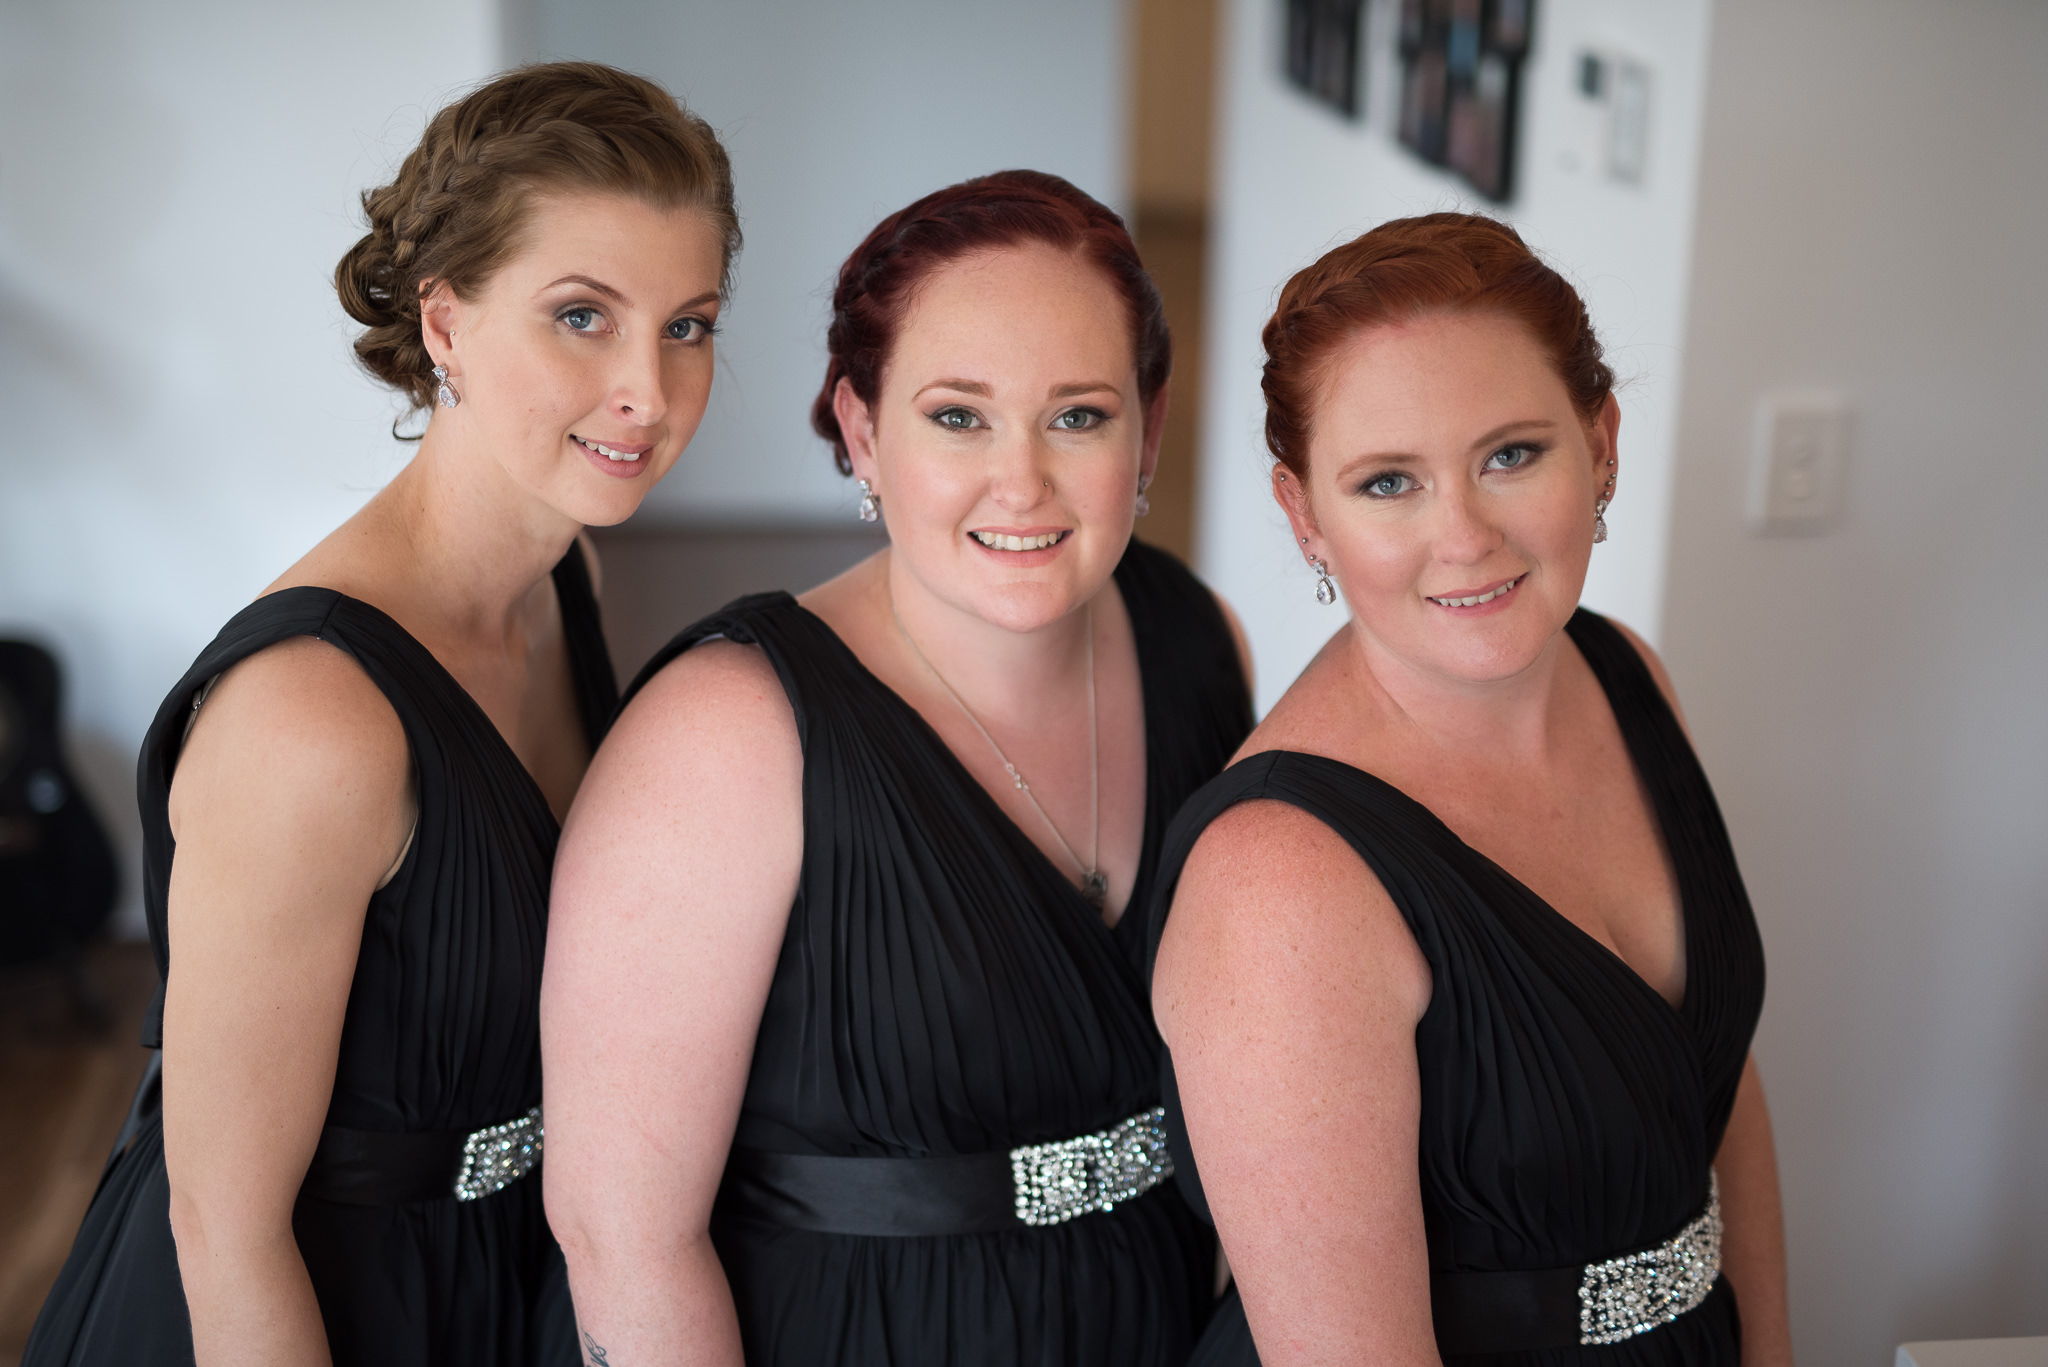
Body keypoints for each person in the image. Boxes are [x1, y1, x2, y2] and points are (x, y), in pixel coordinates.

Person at [24, 62, 739, 1367]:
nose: (649, 385)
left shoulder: (564, 574)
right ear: (447, 323)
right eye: (582, 315)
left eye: (688, 322)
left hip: (494, 1274)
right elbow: (223, 1221)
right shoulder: (311, 715)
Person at [542, 169, 1254, 1367]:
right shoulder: (726, 733)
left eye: (1076, 414)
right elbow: (622, 1237)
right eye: (957, 416)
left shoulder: (1199, 641)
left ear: (1149, 426)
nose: (1019, 481)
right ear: (863, 431)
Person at [1147, 214, 1793, 1366]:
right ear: (1304, 513)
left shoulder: (1623, 673)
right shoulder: (1279, 882)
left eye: (1509, 454)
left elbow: (1711, 1085)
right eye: (1386, 481)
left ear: (1599, 443)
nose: (1462, 536)